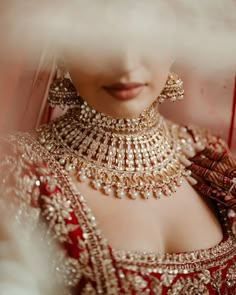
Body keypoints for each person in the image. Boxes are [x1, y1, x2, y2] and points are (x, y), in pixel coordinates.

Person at [0, 38, 236, 295]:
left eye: (146, 36)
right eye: (101, 41)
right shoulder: (16, 168)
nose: (125, 65)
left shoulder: (209, 156)